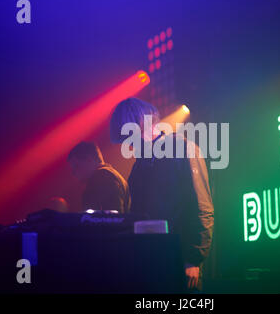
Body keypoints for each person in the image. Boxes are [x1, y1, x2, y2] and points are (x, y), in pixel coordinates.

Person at [110, 98, 214, 291]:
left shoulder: (183, 148)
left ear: (147, 124)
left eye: (131, 137)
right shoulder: (138, 167)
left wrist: (193, 259)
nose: (130, 146)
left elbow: (202, 207)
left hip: (181, 261)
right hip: (152, 265)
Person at [68, 141, 130, 213]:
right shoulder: (112, 175)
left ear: (89, 160)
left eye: (76, 166)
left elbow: (111, 216)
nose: (74, 172)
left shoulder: (101, 177)